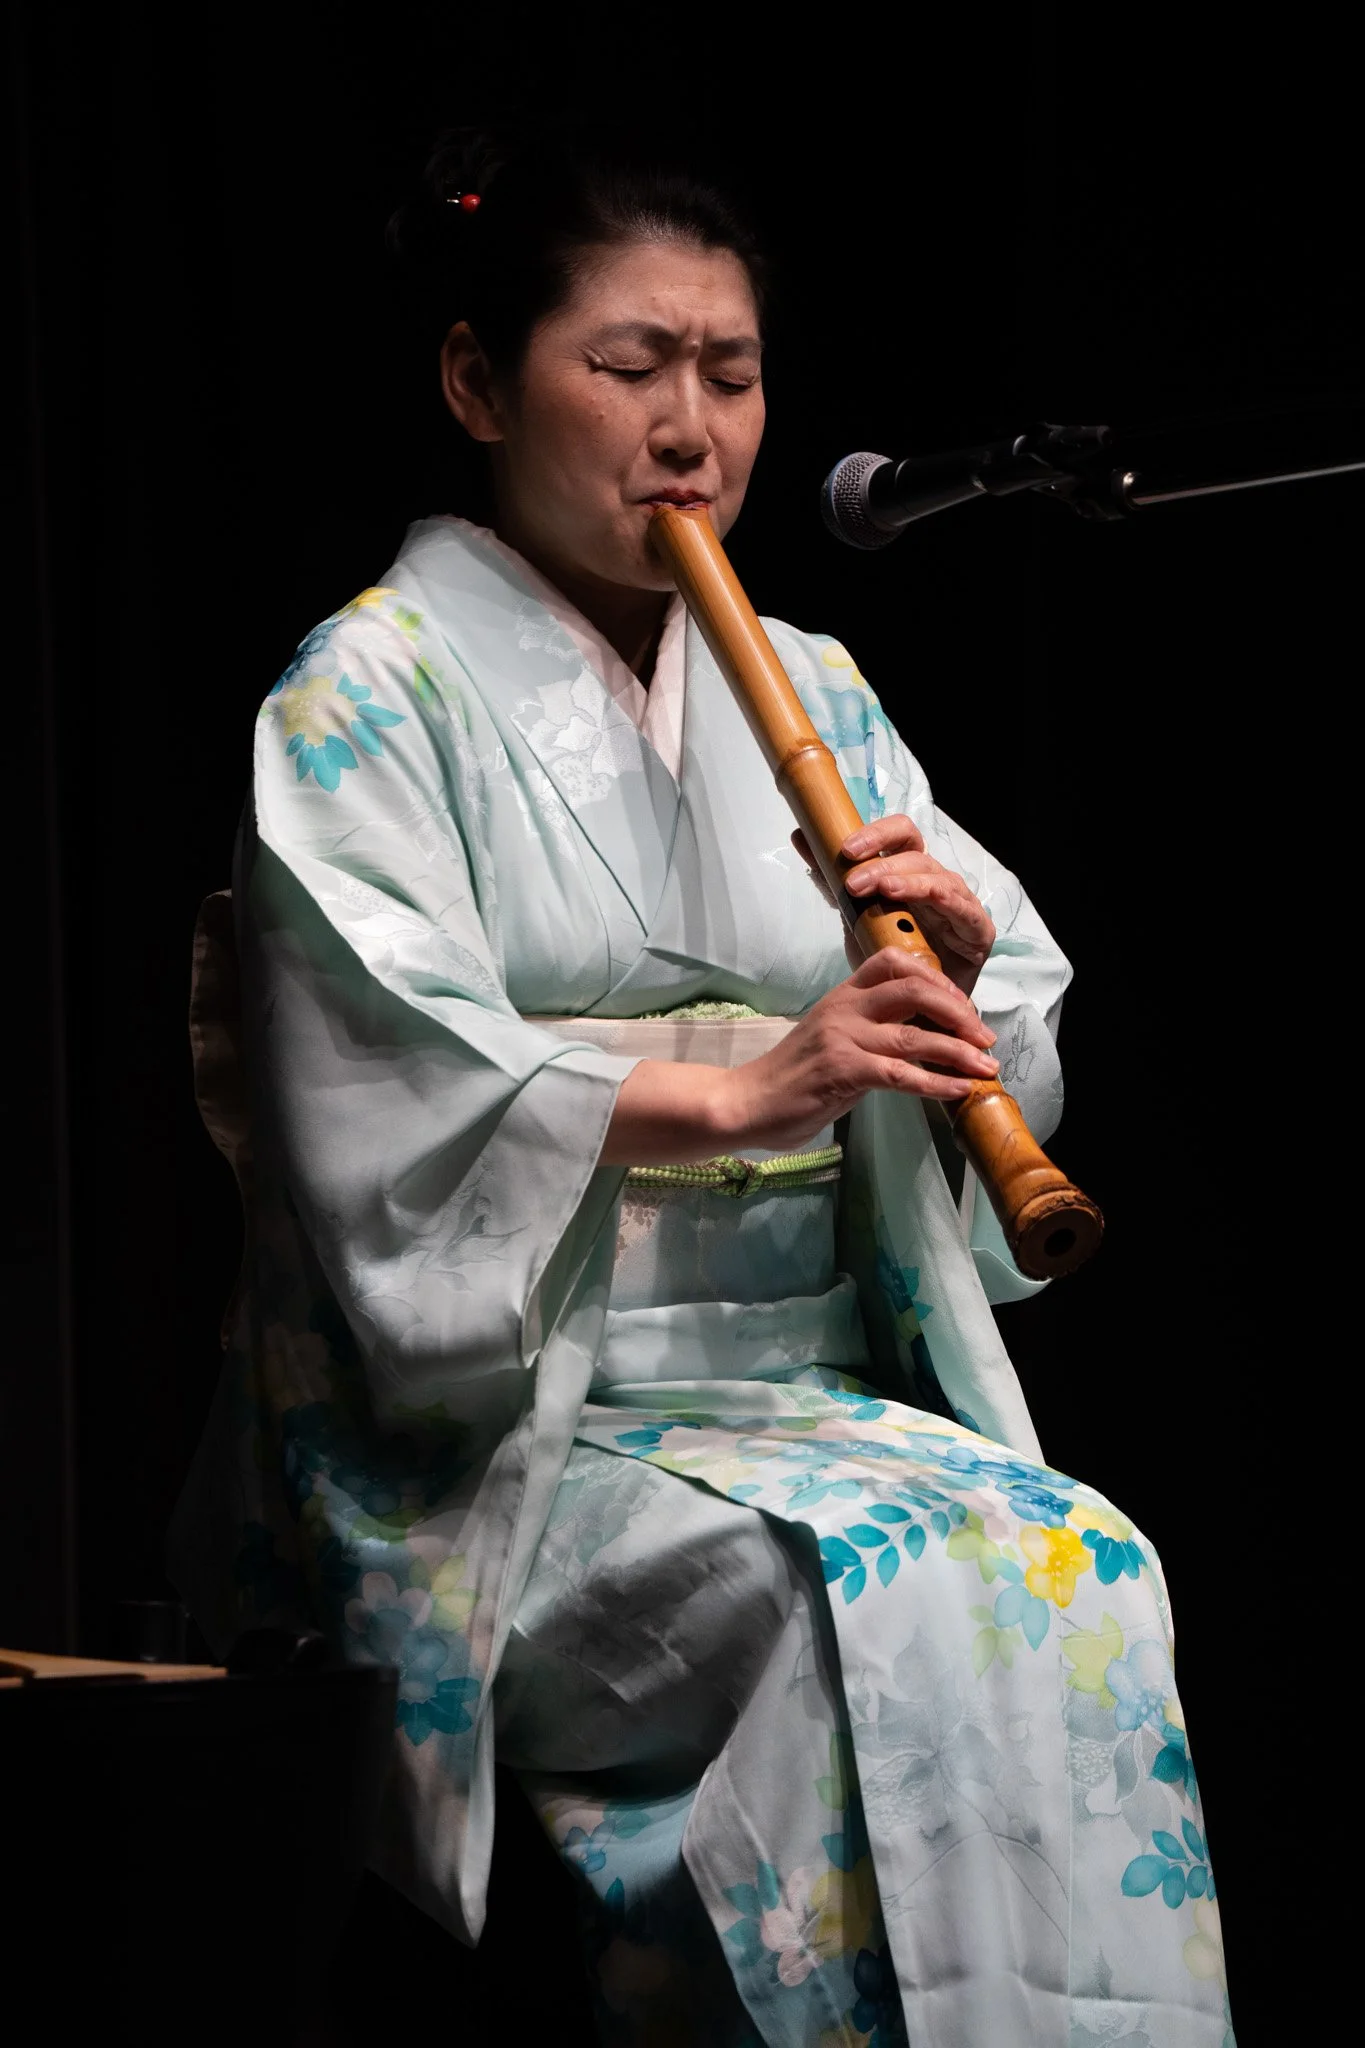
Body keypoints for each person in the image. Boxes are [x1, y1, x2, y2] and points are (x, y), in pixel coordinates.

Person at [171, 126, 1233, 2046]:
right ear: (482, 383)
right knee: (852, 1605)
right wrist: (760, 1087)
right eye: (628, 368)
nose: (692, 428)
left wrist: (951, 998)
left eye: (730, 379)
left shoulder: (815, 690)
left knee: (1068, 1558)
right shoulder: (370, 691)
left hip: (799, 1385)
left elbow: (1010, 1010)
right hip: (509, 1427)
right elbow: (383, 1091)